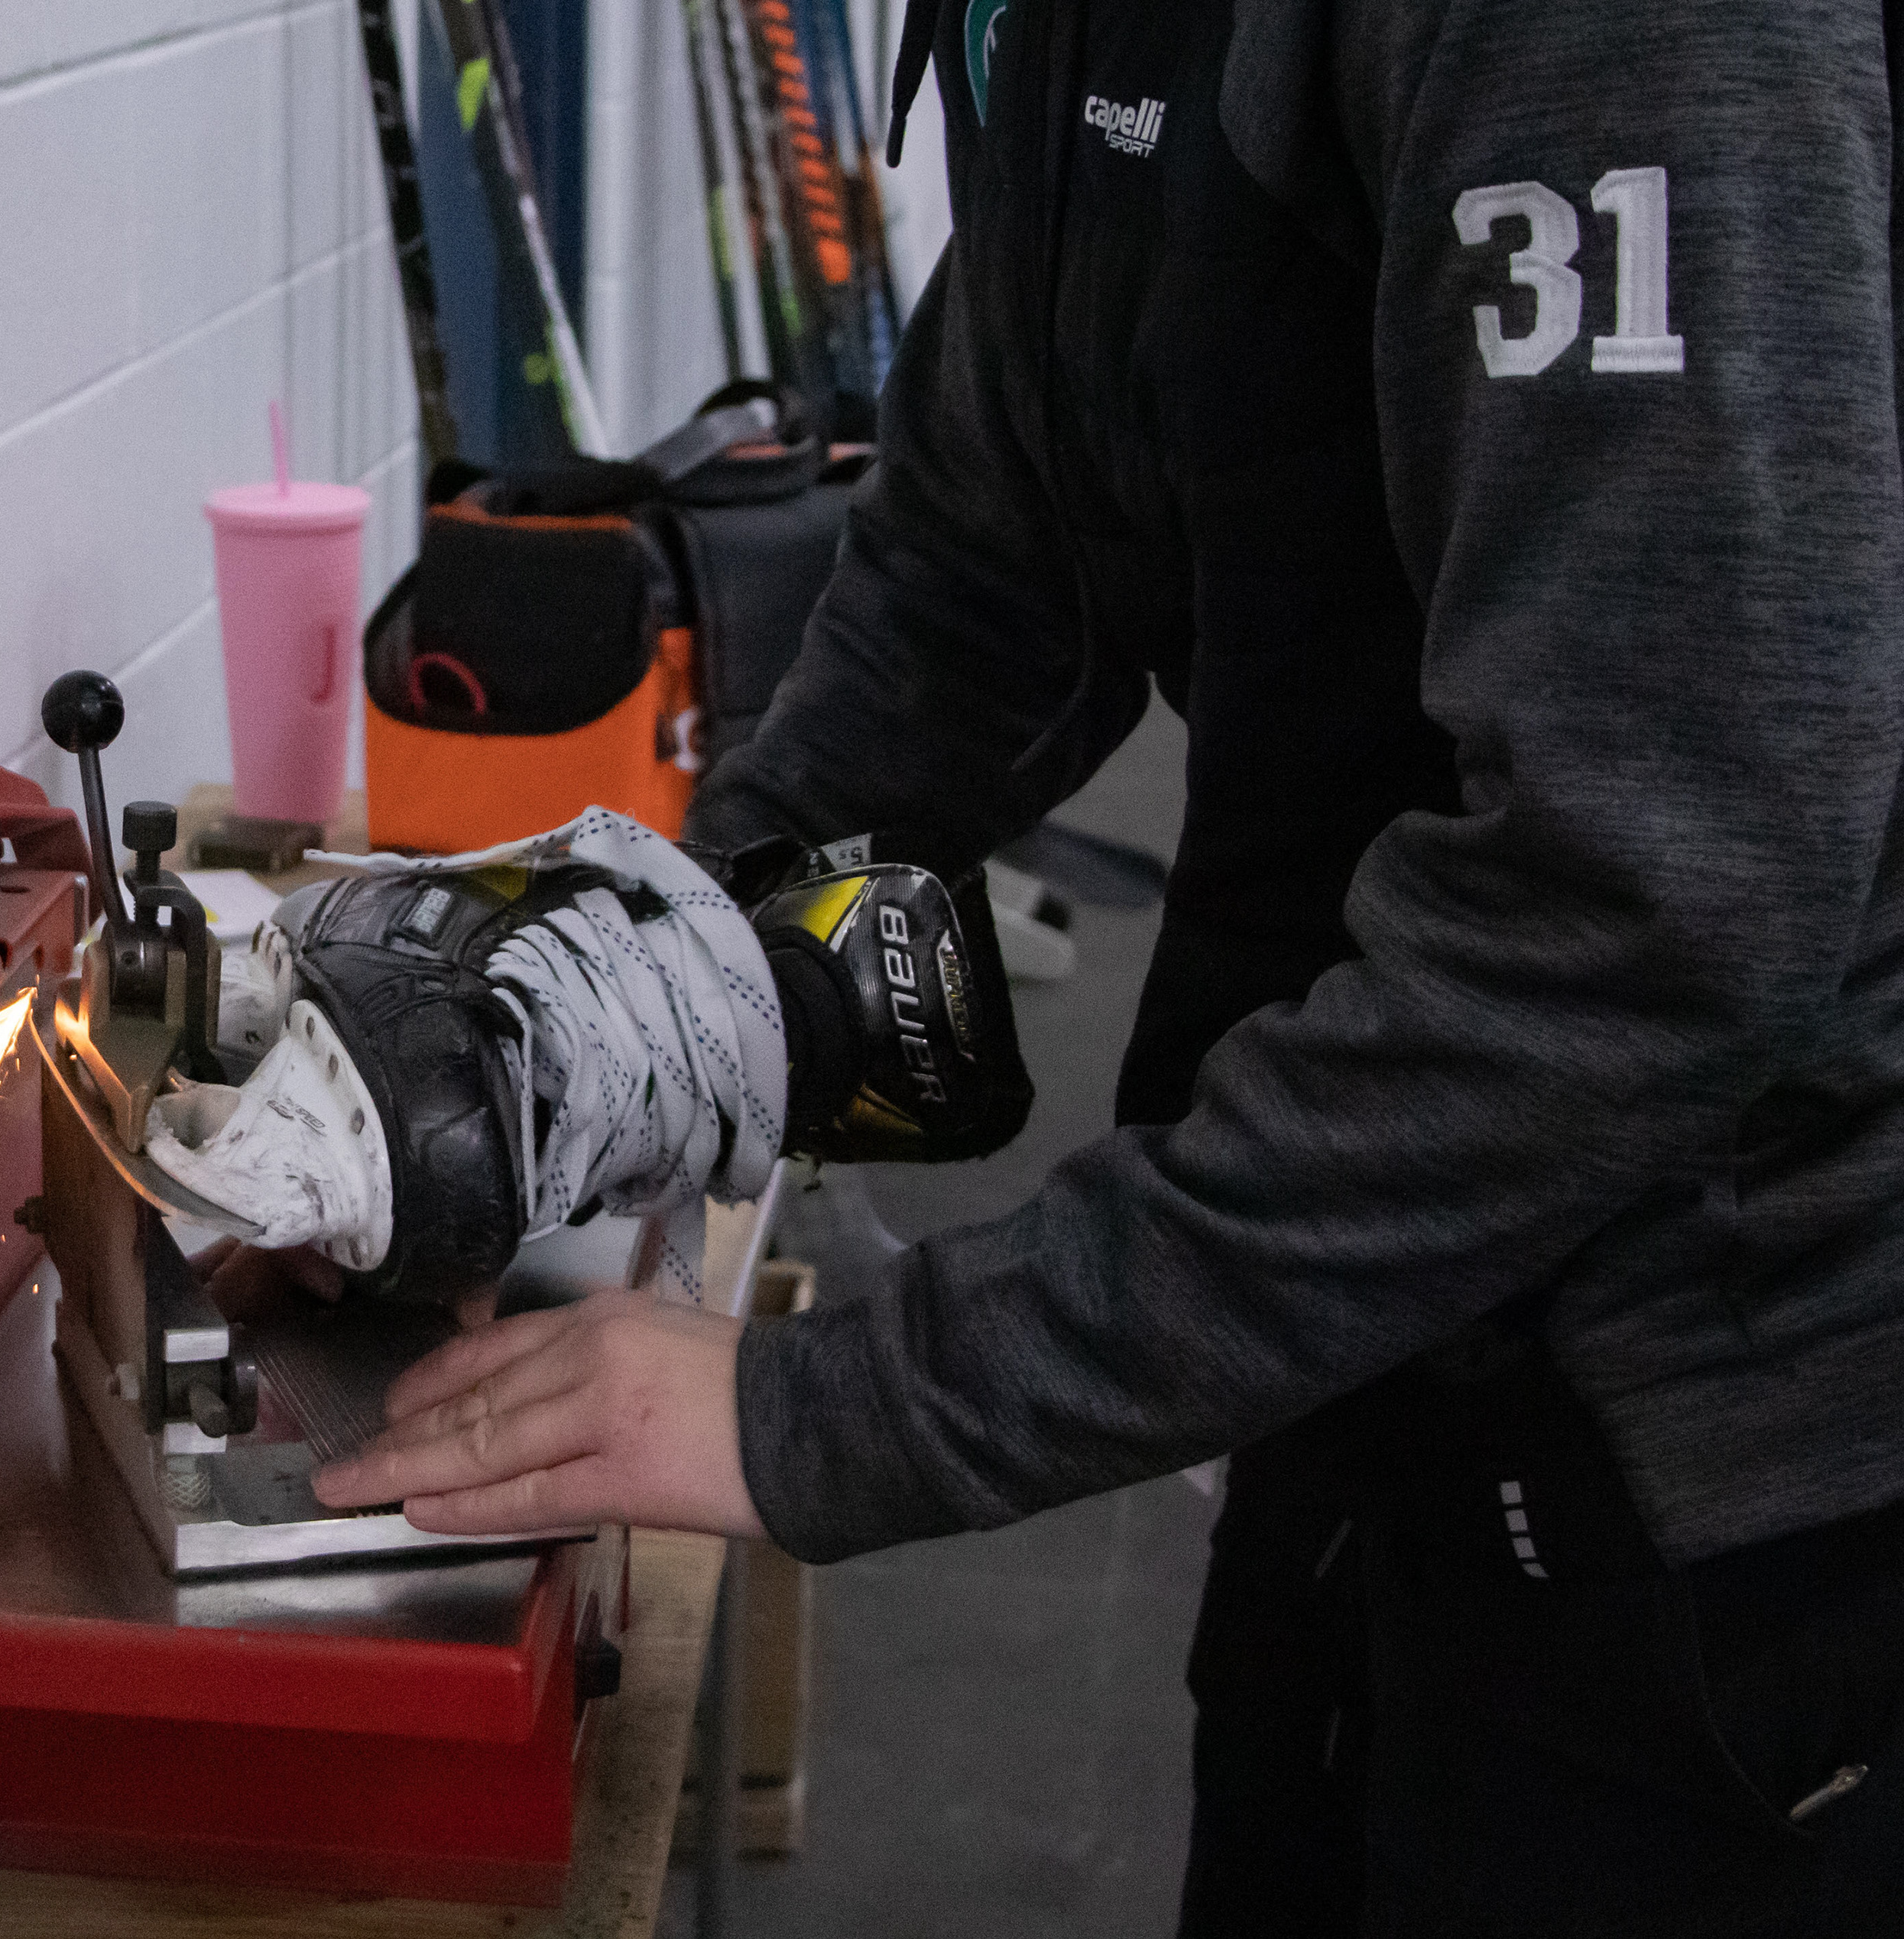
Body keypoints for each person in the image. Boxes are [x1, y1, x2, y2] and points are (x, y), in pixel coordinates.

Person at [283, 2, 1904, 1931]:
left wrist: (830, 1410)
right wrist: (597, 1024)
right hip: (1370, 1349)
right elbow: (991, 578)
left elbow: (1644, 916)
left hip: (1722, 1497)